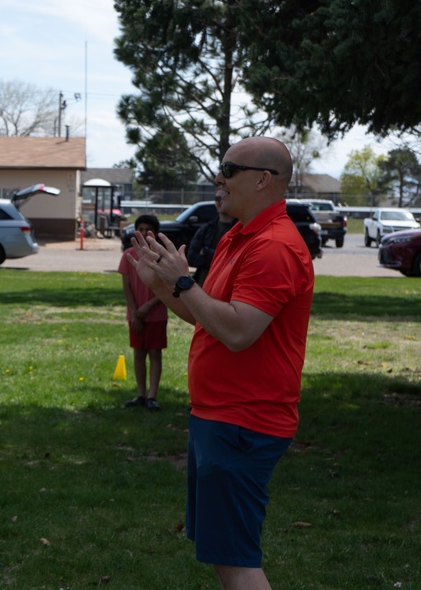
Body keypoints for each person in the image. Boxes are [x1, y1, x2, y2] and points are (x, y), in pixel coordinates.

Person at [128, 137, 314, 590]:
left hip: (243, 422)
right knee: (223, 555)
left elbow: (237, 331)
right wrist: (163, 285)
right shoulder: (240, 236)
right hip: (218, 416)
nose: (219, 177)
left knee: (236, 561)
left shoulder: (273, 248)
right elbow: (205, 315)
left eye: (229, 169)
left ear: (263, 180)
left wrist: (183, 281)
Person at [117, 214, 167, 411]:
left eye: (149, 229)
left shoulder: (161, 257)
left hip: (156, 314)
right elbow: (127, 287)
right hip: (136, 315)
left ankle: (152, 396)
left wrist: (147, 307)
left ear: (155, 232)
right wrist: (134, 311)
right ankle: (140, 394)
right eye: (141, 228)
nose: (145, 232)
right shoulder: (128, 255)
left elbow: (166, 289)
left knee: (155, 353)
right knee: (139, 353)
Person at [186, 198, 237, 285]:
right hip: (203, 284)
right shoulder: (206, 229)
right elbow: (192, 258)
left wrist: (206, 252)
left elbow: (233, 261)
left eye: (224, 198)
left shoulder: (239, 229)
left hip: (226, 286)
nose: (220, 202)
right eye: (217, 199)